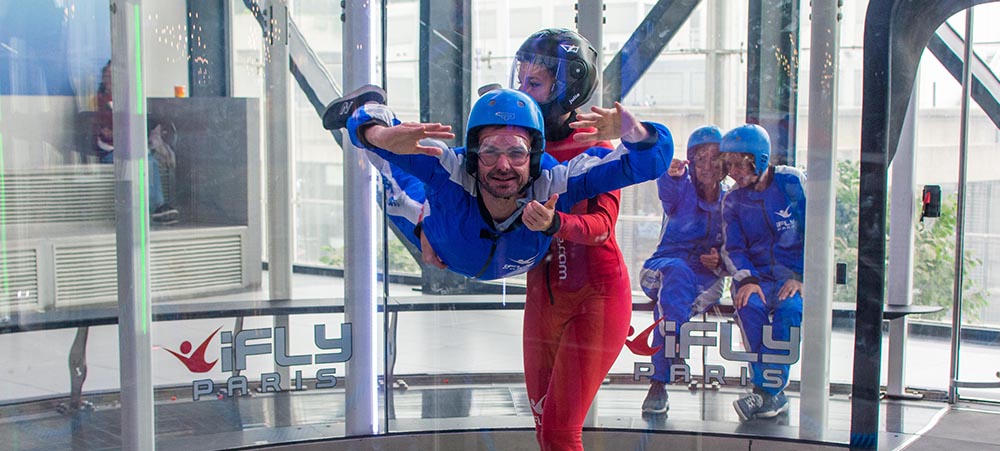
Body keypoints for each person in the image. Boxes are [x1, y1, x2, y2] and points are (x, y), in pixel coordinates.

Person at [329, 86, 674, 282]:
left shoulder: (556, 182)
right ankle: (371, 104)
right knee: (393, 172)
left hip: (468, 248)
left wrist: (633, 130)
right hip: (436, 227)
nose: (503, 166)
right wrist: (379, 133)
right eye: (490, 151)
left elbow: (646, 162)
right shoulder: (452, 168)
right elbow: (371, 141)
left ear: (535, 155)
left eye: (517, 152)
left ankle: (499, 99)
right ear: (474, 152)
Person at [510, 28, 633, 450]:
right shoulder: (522, 143)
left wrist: (553, 224)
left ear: (566, 88)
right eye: (520, 80)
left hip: (596, 298)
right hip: (542, 298)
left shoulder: (594, 144)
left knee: (562, 432)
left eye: (534, 83)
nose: (522, 91)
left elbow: (601, 226)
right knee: (546, 429)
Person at [638, 125, 730, 415]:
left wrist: (720, 262)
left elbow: (737, 246)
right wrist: (671, 174)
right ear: (691, 160)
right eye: (700, 158)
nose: (707, 166)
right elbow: (668, 193)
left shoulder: (731, 201)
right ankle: (663, 371)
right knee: (675, 278)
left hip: (705, 279)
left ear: (726, 163)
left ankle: (660, 378)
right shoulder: (681, 186)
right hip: (661, 268)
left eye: (715, 158)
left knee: (672, 300)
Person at [718, 124, 805, 422]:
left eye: (741, 163)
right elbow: (733, 248)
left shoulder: (791, 183)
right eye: (729, 164)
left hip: (792, 277)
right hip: (754, 277)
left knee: (790, 310)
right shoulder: (732, 200)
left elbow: (817, 231)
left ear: (761, 158)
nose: (734, 171)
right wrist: (748, 279)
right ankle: (770, 392)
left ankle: (767, 390)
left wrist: (802, 276)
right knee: (749, 308)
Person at [94, 60, 179, 224]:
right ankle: (156, 206)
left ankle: (156, 206)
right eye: (108, 76)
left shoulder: (128, 100)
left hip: (127, 150)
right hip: (111, 153)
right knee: (145, 162)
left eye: (114, 76)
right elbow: (113, 132)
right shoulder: (107, 101)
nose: (110, 80)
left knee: (149, 161)